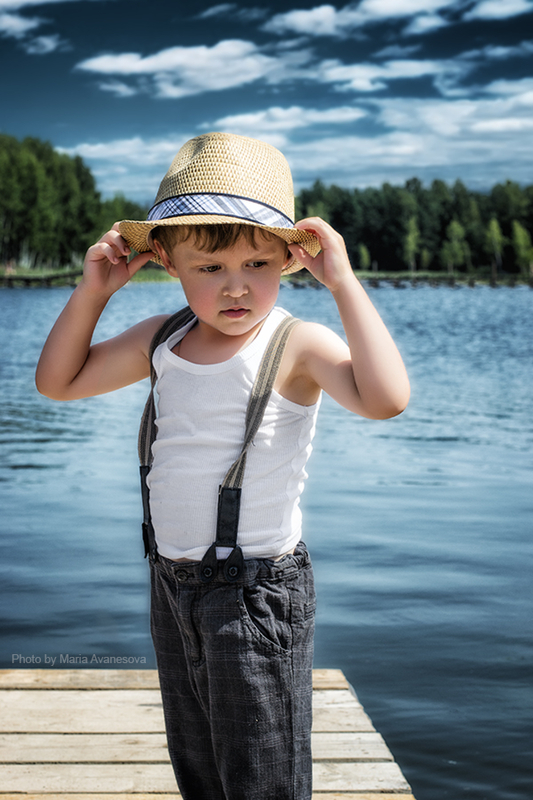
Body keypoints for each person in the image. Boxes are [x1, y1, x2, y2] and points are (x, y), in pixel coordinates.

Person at [35, 132, 410, 800]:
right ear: (167, 262)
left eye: (257, 263)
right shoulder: (162, 338)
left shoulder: (297, 343)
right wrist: (94, 293)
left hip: (256, 593)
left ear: (289, 259)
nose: (236, 286)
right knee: (199, 766)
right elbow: (58, 382)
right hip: (171, 584)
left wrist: (344, 284)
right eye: (209, 268)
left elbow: (386, 400)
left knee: (262, 774)